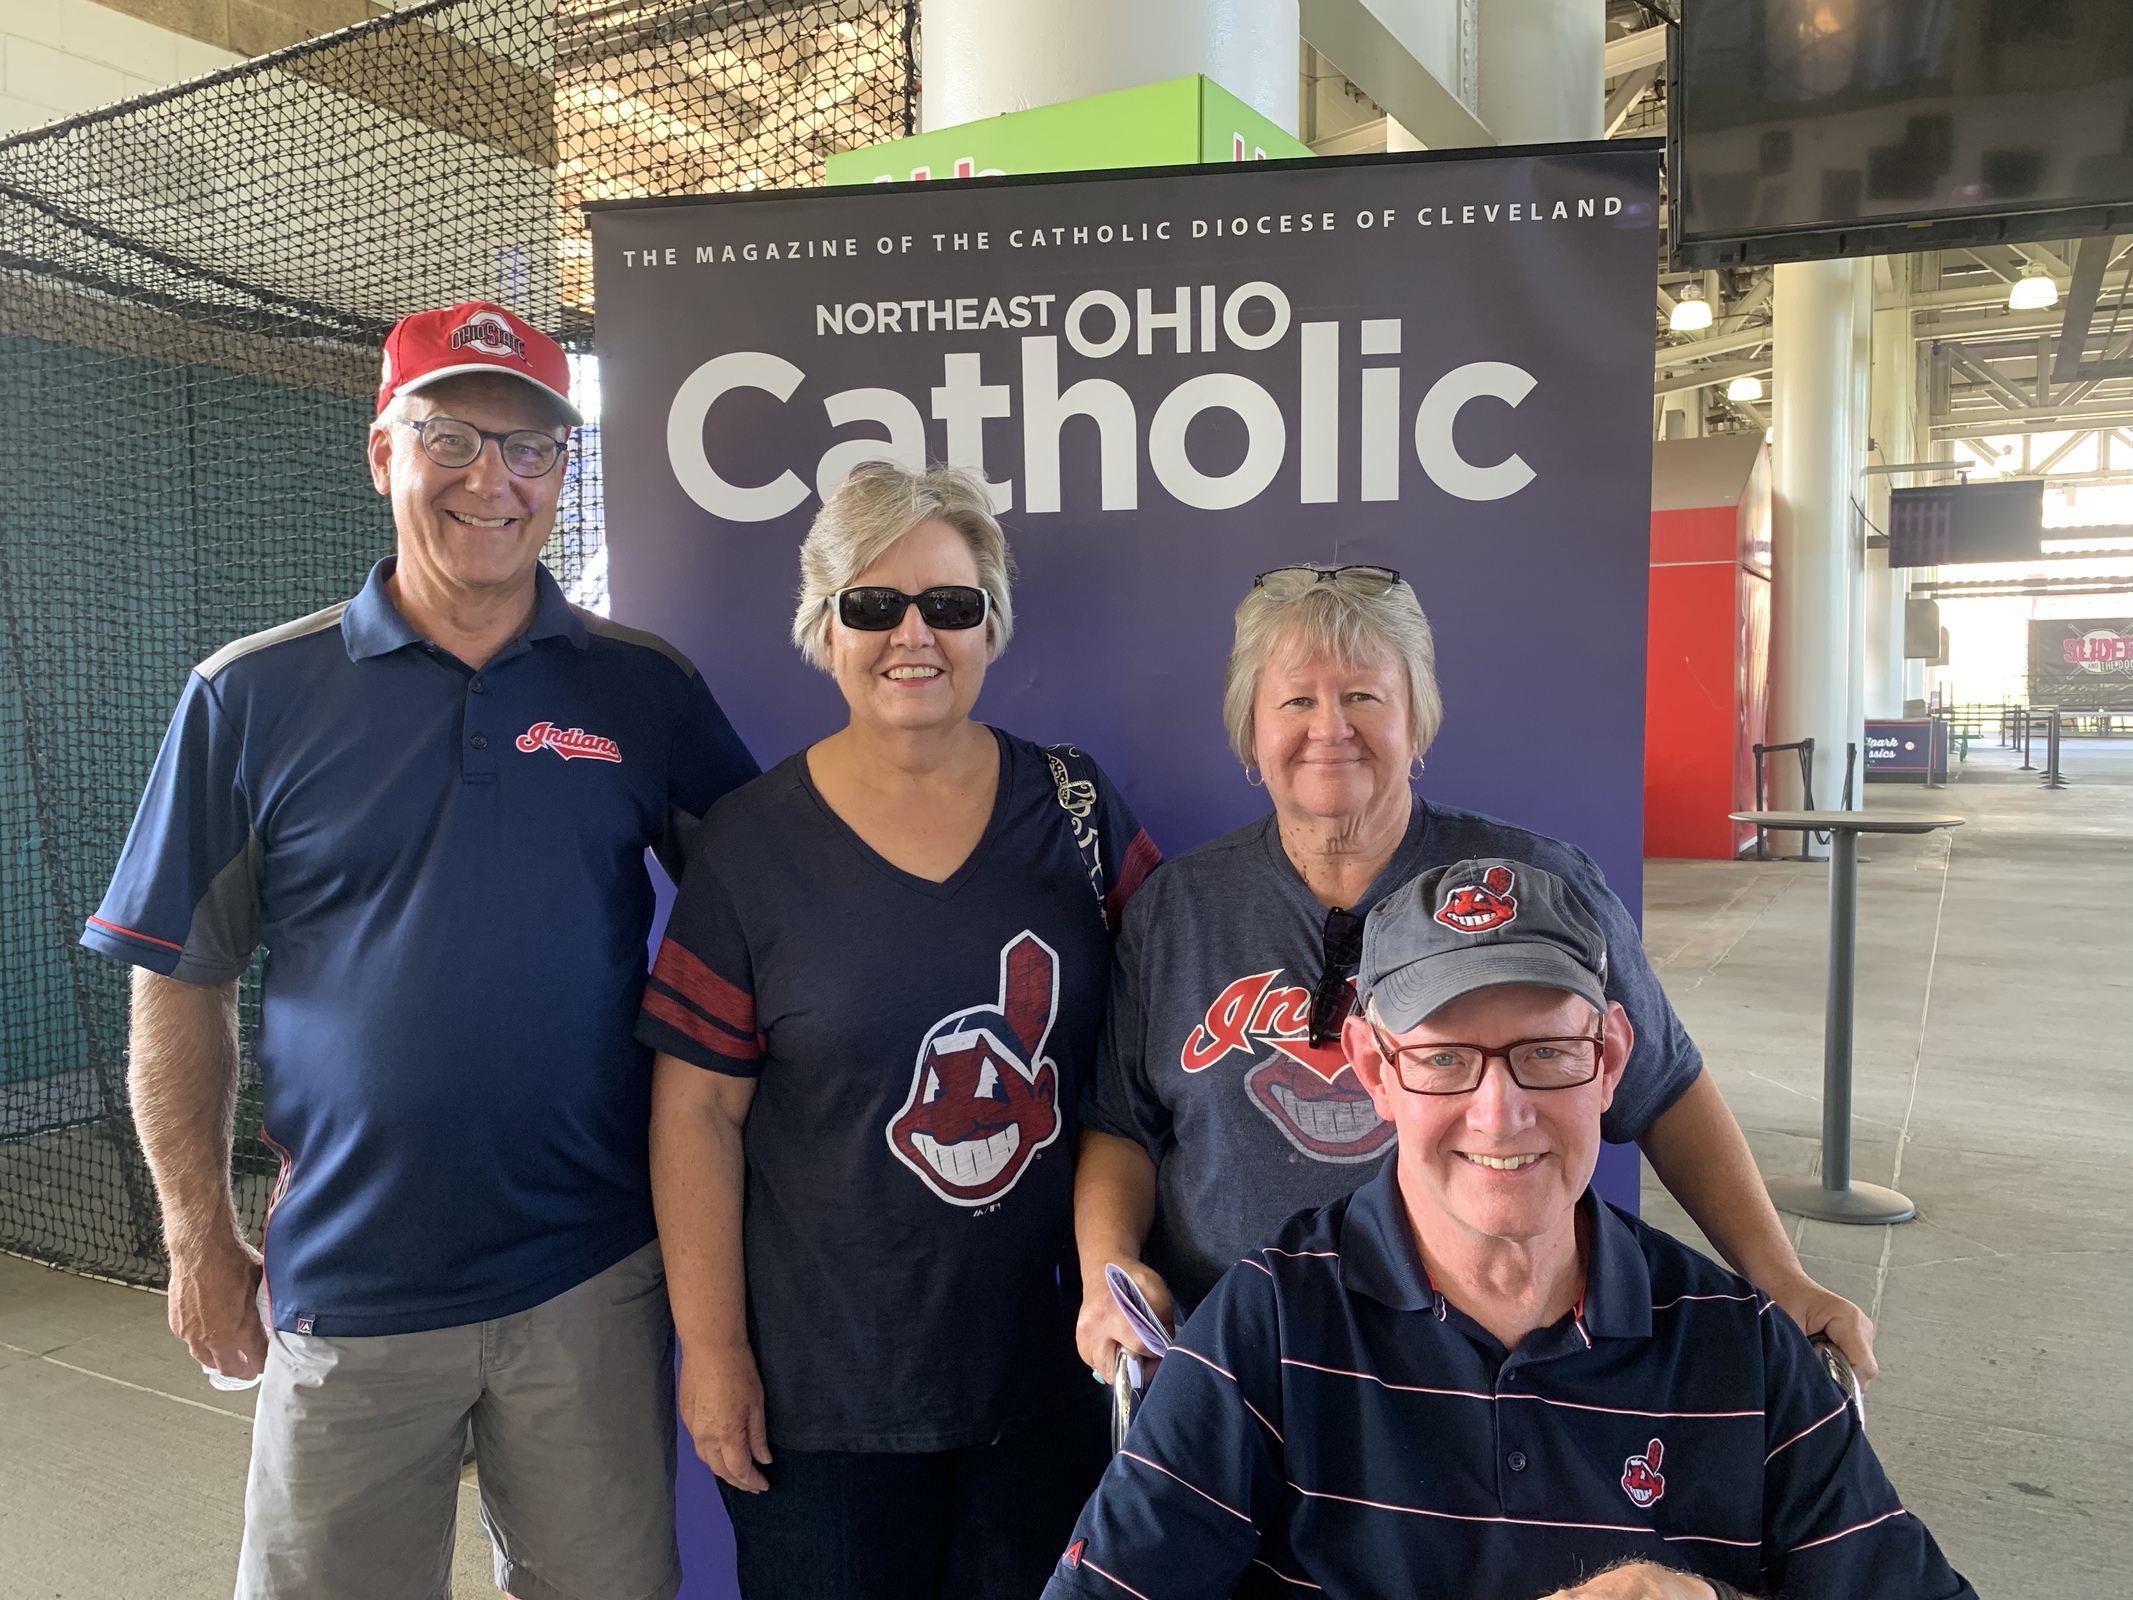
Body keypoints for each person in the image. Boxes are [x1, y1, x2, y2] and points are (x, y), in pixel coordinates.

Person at [81, 301, 758, 1600]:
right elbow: (179, 975)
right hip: (347, 1288)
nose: (492, 481)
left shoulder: (644, 688)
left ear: (562, 473)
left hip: (589, 1277)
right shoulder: (248, 696)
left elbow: (765, 918)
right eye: (451, 437)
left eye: (530, 448)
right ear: (383, 453)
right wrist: (196, 1237)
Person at [1046, 859, 1974, 1600]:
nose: (1499, 1114)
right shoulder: (1268, 1327)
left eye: (1546, 1052)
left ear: (1610, 1059)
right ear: (1373, 1070)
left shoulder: (1739, 1346)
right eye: (1443, 1058)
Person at [1075, 565, 1875, 1389]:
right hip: (1235, 1354)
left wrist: (1779, 1275)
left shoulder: (1538, 885)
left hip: (1484, 1365)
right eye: (1295, 701)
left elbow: (1664, 1090)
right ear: (1250, 731)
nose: (1329, 728)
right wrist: (1110, 1272)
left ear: (1416, 722)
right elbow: (1120, 1123)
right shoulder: (1178, 907)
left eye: (1363, 696)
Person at [640, 461, 1161, 1600]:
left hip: (1050, 1384)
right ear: (824, 629)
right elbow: (696, 1111)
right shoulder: (748, 844)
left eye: (949, 604)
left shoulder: (1075, 809)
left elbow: (1157, 1050)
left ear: (992, 627)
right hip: (822, 1411)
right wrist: (713, 1352)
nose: (911, 634)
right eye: (873, 604)